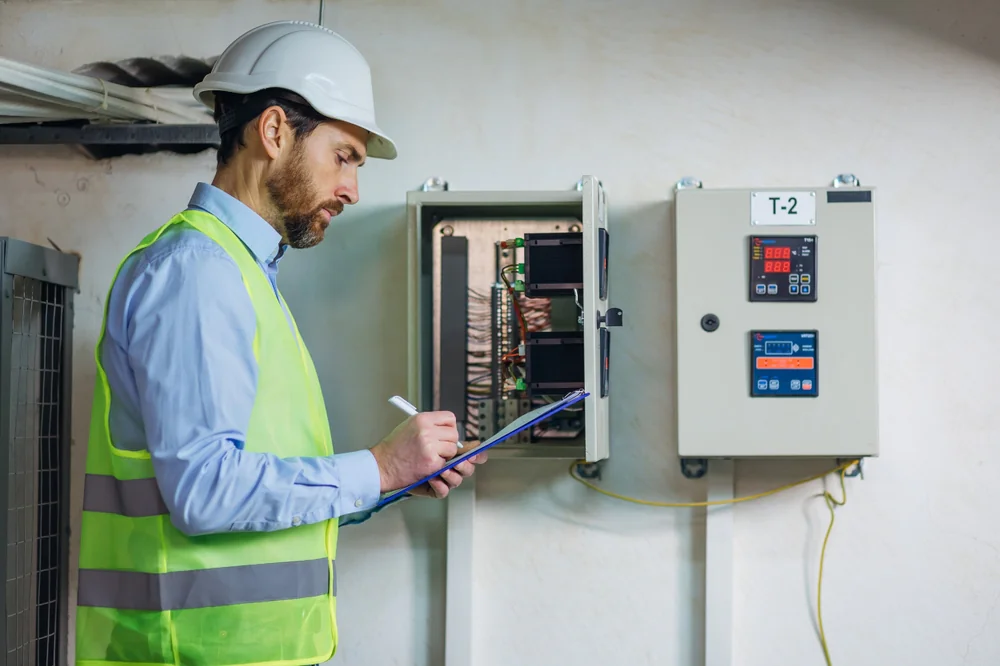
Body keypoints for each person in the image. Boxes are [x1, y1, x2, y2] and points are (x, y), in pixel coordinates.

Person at [74, 20, 486, 666]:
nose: (352, 189)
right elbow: (206, 490)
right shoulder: (197, 272)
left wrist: (392, 478)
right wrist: (378, 468)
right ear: (273, 132)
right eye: (344, 156)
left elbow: (260, 500)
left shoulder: (242, 276)